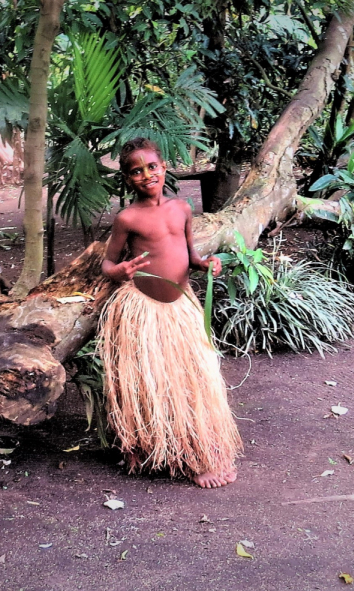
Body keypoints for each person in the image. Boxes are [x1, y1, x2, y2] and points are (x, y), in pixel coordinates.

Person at [100, 137, 242, 488]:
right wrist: (119, 272)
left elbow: (190, 256)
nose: (146, 175)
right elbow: (107, 263)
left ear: (164, 167)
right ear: (127, 178)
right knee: (148, 382)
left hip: (180, 309)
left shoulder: (182, 208)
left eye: (152, 167)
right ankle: (145, 448)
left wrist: (206, 263)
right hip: (143, 311)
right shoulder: (127, 217)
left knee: (192, 381)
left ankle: (200, 452)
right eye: (136, 171)